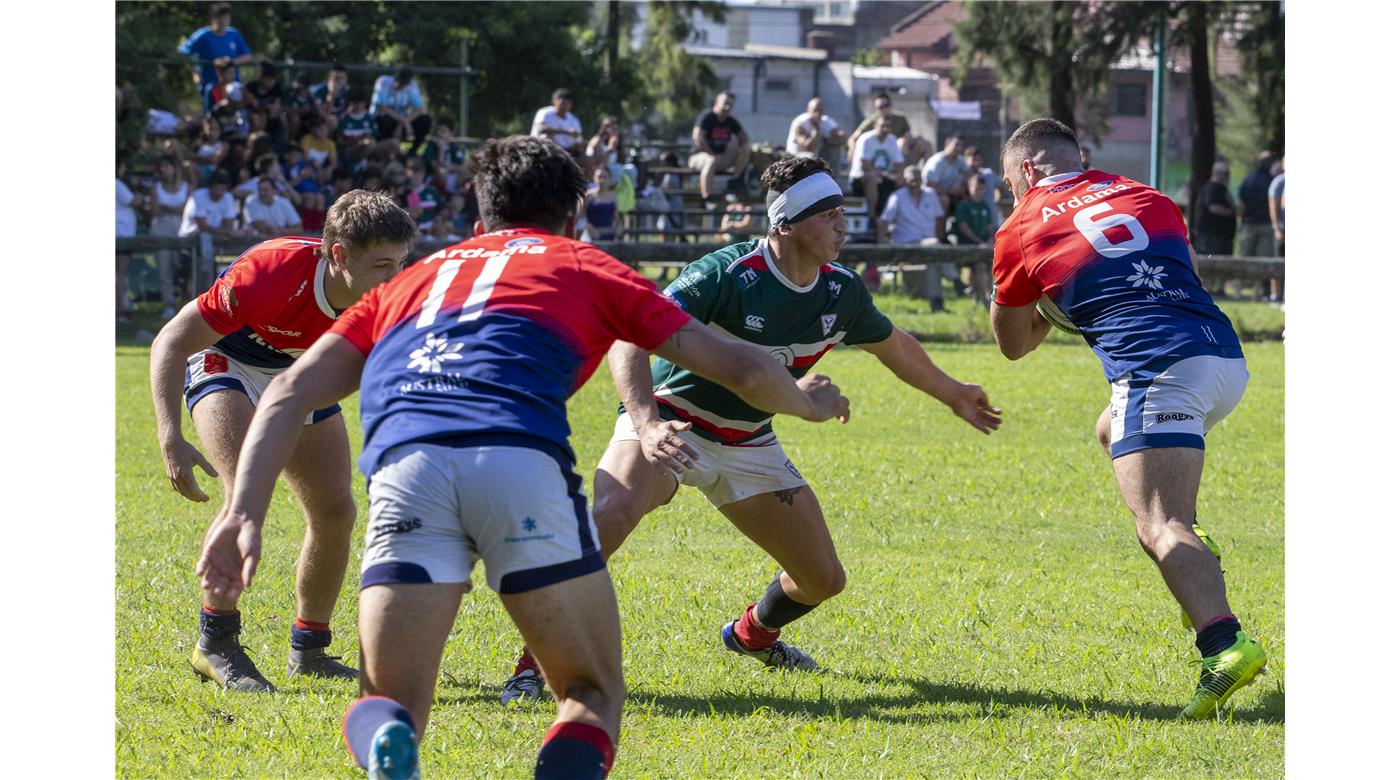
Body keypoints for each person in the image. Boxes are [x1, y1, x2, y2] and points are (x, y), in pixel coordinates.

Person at [196, 135, 850, 778]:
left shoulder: (413, 277)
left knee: (387, 701)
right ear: (572, 218)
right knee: (589, 692)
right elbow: (736, 363)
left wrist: (243, 511)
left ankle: (392, 743)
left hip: (407, 469)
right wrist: (804, 401)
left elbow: (287, 392)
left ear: (480, 219)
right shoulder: (586, 264)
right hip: (517, 461)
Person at [499, 155, 1001, 705]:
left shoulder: (842, 291)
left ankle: (752, 636)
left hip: (748, 439)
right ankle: (531, 666)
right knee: (610, 515)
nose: (842, 225)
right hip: (673, 422)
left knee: (822, 579)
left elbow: (895, 345)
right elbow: (629, 337)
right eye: (827, 214)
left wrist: (954, 393)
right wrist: (644, 424)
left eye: (844, 213)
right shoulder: (727, 274)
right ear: (784, 225)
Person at [988, 117, 1267, 720]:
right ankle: (1190, 542)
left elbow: (1012, 343)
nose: (1011, 193)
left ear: (1028, 170)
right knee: (1109, 428)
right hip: (1224, 360)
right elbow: (1180, 269)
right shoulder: (1148, 195)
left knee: (1159, 524)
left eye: (1010, 181)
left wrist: (1047, 305)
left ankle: (1224, 646)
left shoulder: (1019, 227)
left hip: (1157, 371)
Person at [154, 190, 418, 694]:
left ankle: (310, 649)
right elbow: (172, 339)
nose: (396, 276)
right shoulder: (271, 271)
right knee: (243, 496)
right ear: (339, 256)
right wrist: (171, 436)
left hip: (299, 374)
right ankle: (216, 642)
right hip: (226, 362)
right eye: (383, 264)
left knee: (336, 512)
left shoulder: (391, 297)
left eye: (401, 262)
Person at [877, 165, 946, 308]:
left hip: (928, 242)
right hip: (905, 243)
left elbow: (940, 218)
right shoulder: (897, 197)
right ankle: (955, 279)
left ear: (922, 179)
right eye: (911, 178)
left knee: (932, 257)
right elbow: (884, 221)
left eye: (917, 178)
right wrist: (880, 246)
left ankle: (936, 301)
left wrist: (938, 236)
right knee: (935, 248)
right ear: (904, 180)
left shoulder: (931, 194)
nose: (915, 181)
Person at [178, 3, 253, 110]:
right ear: (214, 18)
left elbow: (248, 56)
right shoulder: (203, 35)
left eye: (227, 18)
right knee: (212, 113)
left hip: (232, 86)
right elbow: (185, 53)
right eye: (221, 18)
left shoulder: (234, 34)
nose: (224, 21)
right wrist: (195, 73)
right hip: (210, 84)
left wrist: (229, 62)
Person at [149, 155, 192, 318]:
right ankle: (168, 304)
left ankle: (184, 303)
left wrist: (166, 208)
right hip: (161, 229)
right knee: (164, 268)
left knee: (181, 268)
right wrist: (174, 209)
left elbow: (186, 210)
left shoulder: (187, 187)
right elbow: (154, 210)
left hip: (181, 230)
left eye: (167, 166)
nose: (164, 170)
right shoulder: (156, 187)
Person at [689, 92, 751, 202]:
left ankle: (734, 182)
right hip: (699, 157)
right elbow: (697, 137)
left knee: (744, 150)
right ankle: (706, 197)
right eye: (725, 103)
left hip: (721, 158)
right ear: (716, 103)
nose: (727, 107)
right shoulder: (706, 117)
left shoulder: (731, 121)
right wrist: (711, 153)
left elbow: (744, 137)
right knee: (711, 160)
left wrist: (736, 144)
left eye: (730, 105)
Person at [849, 114, 903, 238]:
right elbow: (865, 166)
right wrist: (887, 174)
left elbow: (899, 163)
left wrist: (898, 175)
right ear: (875, 126)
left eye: (888, 126)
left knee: (903, 180)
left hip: (884, 179)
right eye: (883, 126)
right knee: (872, 177)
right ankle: (872, 219)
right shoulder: (866, 139)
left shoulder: (893, 139)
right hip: (860, 180)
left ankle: (896, 223)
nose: (886, 129)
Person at [847, 92, 930, 170]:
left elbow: (908, 137)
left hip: (900, 153)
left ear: (891, 105)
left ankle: (926, 176)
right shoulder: (871, 121)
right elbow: (852, 138)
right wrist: (852, 148)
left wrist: (912, 141)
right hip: (879, 155)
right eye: (880, 107)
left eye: (886, 105)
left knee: (924, 144)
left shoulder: (900, 119)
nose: (884, 109)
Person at [372, 67, 432, 155]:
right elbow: (382, 107)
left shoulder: (412, 85)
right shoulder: (383, 81)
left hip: (401, 121)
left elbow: (420, 109)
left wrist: (403, 122)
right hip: (384, 121)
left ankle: (411, 153)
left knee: (425, 120)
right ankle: (385, 152)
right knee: (385, 120)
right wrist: (404, 121)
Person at [786, 97, 846, 168]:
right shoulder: (800, 123)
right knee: (811, 157)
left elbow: (844, 137)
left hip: (816, 155)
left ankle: (833, 177)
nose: (817, 114)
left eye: (820, 111)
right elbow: (808, 147)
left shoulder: (826, 121)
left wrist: (831, 140)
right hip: (795, 156)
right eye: (815, 110)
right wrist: (816, 128)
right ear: (808, 110)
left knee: (836, 150)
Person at [1237, 151, 1276, 257]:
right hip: (1266, 224)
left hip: (1249, 224)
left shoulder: (1247, 180)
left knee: (1245, 257)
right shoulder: (1273, 181)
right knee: (1264, 261)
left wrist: (1242, 220)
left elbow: (1241, 204)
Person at [1193, 161, 1236, 256]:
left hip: (1220, 236)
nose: (1227, 176)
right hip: (1211, 237)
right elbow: (1213, 207)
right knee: (1211, 264)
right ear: (1217, 173)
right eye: (1225, 173)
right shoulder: (1212, 188)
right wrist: (1232, 212)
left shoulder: (1221, 188)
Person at [117, 157, 140, 321]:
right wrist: (137, 188)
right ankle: (118, 308)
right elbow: (135, 201)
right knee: (119, 273)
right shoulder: (116, 183)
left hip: (121, 234)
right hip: (120, 235)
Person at [532, 87, 585, 157]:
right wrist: (567, 131)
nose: (564, 107)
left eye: (567, 104)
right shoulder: (544, 113)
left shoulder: (574, 120)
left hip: (566, 152)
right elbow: (542, 129)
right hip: (540, 149)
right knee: (546, 137)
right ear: (554, 101)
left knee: (588, 160)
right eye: (562, 104)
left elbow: (578, 142)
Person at [921, 134, 968, 211]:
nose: (959, 148)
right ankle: (940, 223)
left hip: (950, 194)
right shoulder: (937, 162)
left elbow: (971, 175)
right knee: (944, 201)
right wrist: (951, 191)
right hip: (930, 195)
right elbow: (930, 187)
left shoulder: (960, 160)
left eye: (961, 146)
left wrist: (961, 182)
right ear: (947, 144)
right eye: (956, 145)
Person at [584, 166, 619, 242]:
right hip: (591, 236)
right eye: (599, 177)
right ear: (594, 178)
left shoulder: (614, 196)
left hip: (609, 235)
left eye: (605, 177)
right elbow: (581, 218)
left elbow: (616, 217)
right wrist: (590, 229)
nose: (602, 180)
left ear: (610, 179)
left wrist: (618, 229)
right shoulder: (588, 196)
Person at [1267, 157, 1285, 302]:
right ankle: (1275, 294)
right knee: (1277, 262)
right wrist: (1277, 228)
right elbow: (1273, 206)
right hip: (1282, 230)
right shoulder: (1279, 182)